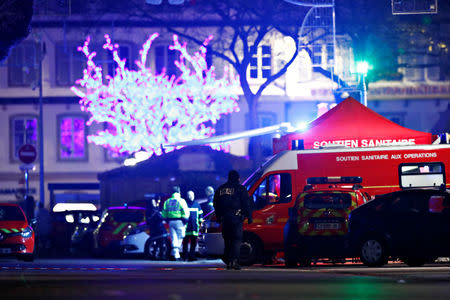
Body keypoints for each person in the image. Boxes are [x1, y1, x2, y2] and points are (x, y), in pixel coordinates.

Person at [213, 170, 253, 270]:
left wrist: (218, 217)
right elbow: (246, 203)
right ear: (238, 178)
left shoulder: (221, 189)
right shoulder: (240, 188)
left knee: (227, 240)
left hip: (225, 219)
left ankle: (228, 261)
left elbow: (216, 204)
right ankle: (233, 261)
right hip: (236, 218)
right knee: (236, 239)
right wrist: (249, 217)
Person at [161, 186, 190, 261]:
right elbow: (185, 211)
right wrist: (185, 220)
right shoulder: (181, 200)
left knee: (174, 237)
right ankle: (176, 255)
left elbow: (164, 212)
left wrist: (166, 219)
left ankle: (172, 254)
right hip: (180, 221)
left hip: (170, 222)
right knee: (181, 236)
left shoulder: (167, 201)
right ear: (179, 192)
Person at [182, 190, 203, 261]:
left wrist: (201, 224)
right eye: (189, 195)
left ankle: (191, 256)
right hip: (186, 228)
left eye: (191, 195)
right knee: (185, 243)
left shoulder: (197, 204)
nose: (190, 196)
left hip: (194, 227)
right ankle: (185, 256)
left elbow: (200, 215)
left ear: (194, 196)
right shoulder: (184, 204)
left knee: (193, 243)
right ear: (187, 196)